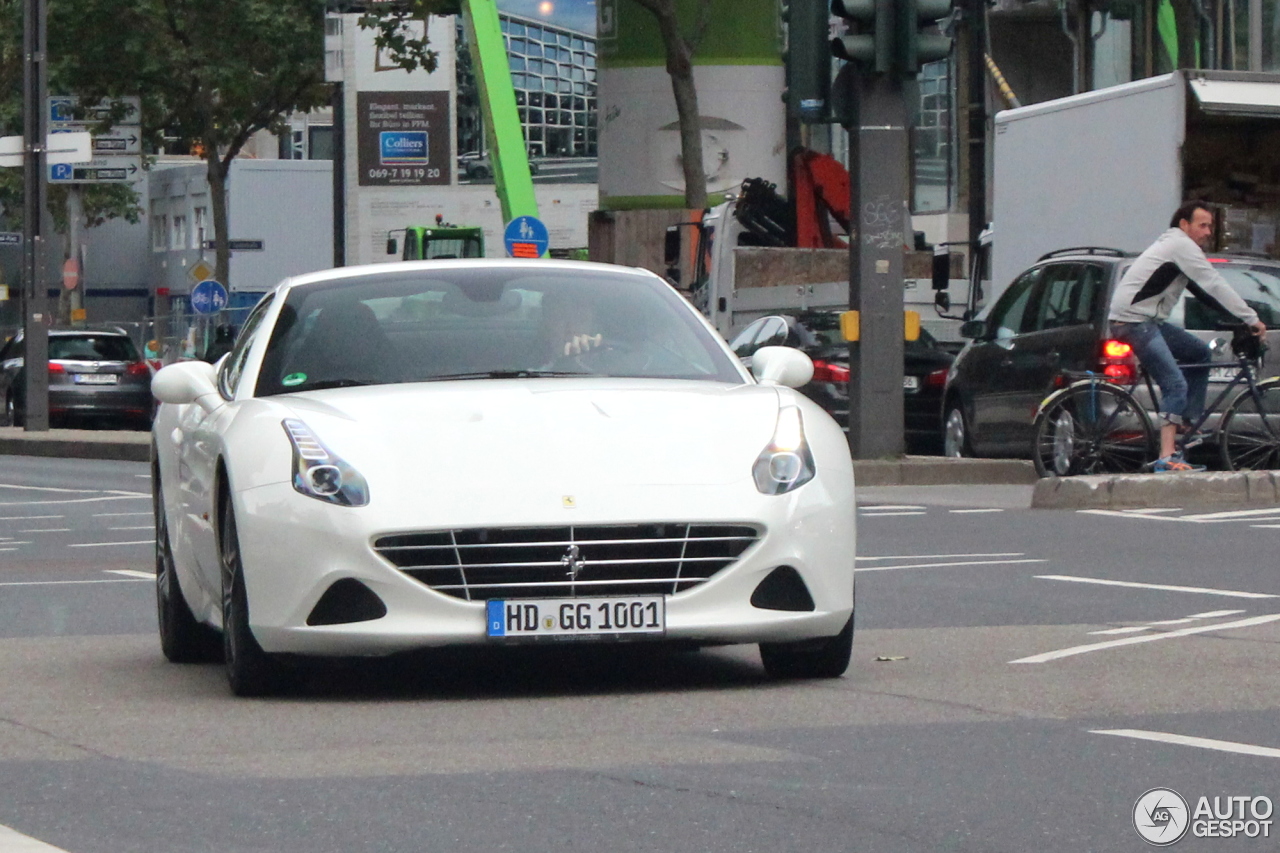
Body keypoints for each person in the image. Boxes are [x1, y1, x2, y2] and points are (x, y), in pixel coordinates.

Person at [1109, 201, 1267, 473]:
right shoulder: (1181, 246)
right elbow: (1214, 283)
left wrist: (1238, 319)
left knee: (1199, 353)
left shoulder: (1177, 248)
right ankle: (1166, 457)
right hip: (1134, 322)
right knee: (1175, 385)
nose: (1208, 232)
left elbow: (1202, 292)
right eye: (1202, 225)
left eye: (1210, 227)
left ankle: (1185, 420)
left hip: (1147, 320)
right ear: (1184, 225)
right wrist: (1251, 317)